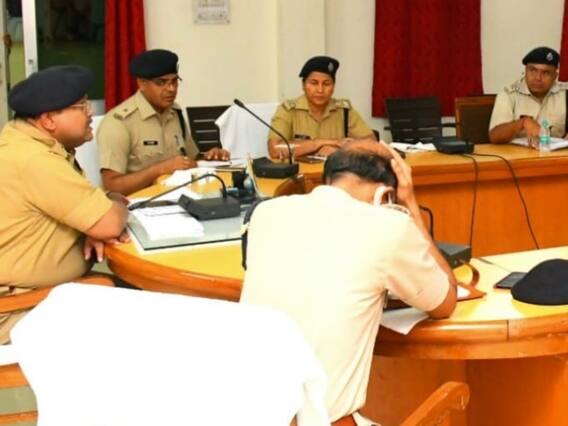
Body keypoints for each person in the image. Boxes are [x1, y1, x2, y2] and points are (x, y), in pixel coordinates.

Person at [241, 140, 457, 425]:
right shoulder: (389, 228)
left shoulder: (265, 213)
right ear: (385, 195)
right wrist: (411, 206)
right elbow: (445, 301)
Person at [0, 65, 129, 344]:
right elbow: (109, 223)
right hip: (17, 309)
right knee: (143, 318)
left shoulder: (27, 144)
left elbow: (91, 217)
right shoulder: (34, 160)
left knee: (137, 295)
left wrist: (90, 227)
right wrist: (116, 201)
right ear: (48, 119)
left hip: (43, 293)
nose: (90, 112)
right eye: (81, 106)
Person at [97, 49, 230, 195]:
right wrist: (160, 169)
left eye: (174, 81)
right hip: (139, 203)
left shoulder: (175, 113)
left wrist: (210, 158)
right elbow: (112, 185)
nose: (171, 89)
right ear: (142, 84)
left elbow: (192, 159)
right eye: (161, 82)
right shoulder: (119, 122)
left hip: (180, 197)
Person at [268, 55, 376, 160]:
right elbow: (274, 149)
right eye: (314, 83)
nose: (320, 90)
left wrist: (338, 151)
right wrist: (322, 143)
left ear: (333, 86)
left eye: (326, 84)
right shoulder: (288, 110)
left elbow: (371, 142)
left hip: (335, 171)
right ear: (303, 85)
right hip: (299, 171)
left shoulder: (344, 111)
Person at [489, 46, 568, 146]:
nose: (538, 78)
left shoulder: (565, 93)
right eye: (533, 70)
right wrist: (522, 123)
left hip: (555, 154)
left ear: (555, 76)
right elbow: (495, 137)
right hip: (516, 154)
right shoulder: (509, 94)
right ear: (525, 71)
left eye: (546, 73)